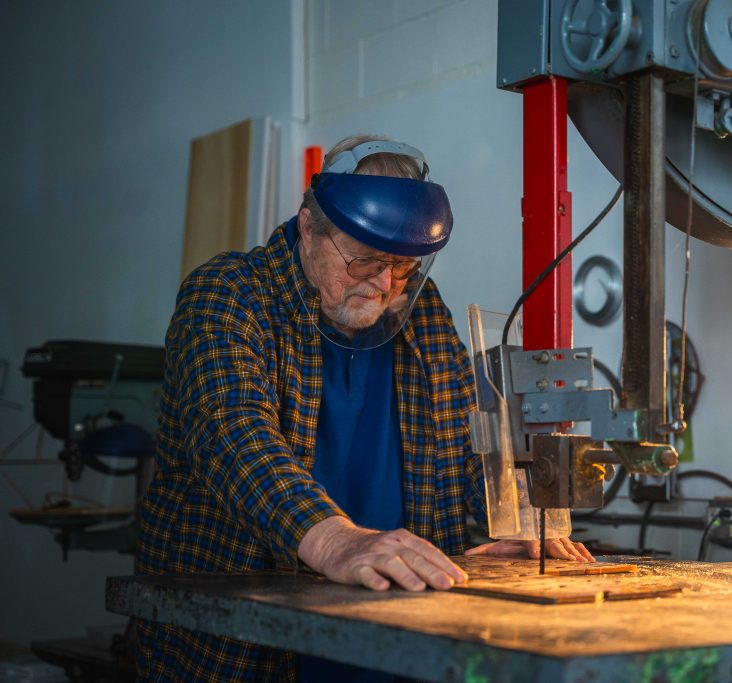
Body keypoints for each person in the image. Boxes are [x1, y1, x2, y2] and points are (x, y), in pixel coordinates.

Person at [131, 135, 594, 681]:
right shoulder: (228, 294)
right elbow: (234, 440)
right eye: (365, 259)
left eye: (402, 268)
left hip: (396, 634)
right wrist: (336, 539)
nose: (383, 285)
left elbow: (468, 441)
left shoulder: (420, 312)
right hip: (242, 651)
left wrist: (515, 520)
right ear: (308, 227)